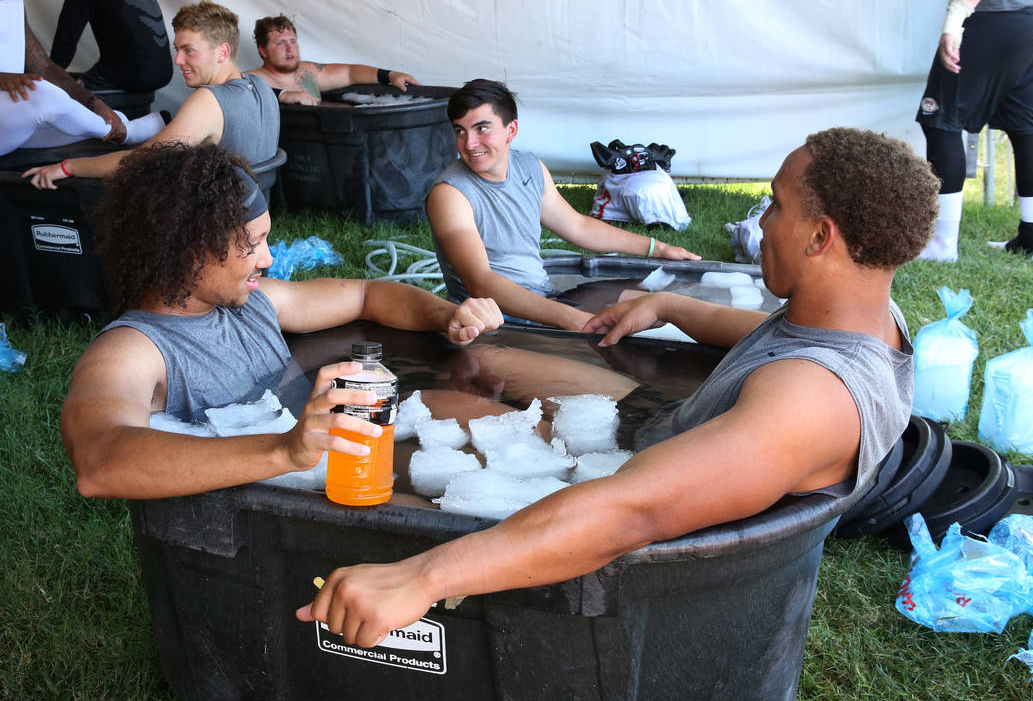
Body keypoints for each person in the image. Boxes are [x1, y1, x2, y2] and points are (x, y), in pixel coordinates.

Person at [296, 127, 940, 648]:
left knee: (410, 427)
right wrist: (668, 306)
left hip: (626, 492)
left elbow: (631, 512)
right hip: (655, 430)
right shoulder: (861, 314)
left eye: (775, 203)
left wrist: (421, 577)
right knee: (484, 360)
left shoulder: (812, 400)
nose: (763, 221)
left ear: (821, 236)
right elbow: (763, 332)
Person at [60, 142, 502, 500]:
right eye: (251, 246)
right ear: (190, 251)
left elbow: (368, 295)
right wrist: (285, 449)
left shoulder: (254, 302)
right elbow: (99, 461)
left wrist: (448, 314)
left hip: (312, 455)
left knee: (472, 409)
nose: (268, 260)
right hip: (275, 501)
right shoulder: (134, 350)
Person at [426, 79, 701, 332]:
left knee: (661, 304)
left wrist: (657, 248)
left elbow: (577, 226)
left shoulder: (529, 167)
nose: (469, 143)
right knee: (631, 334)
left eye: (481, 128)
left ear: (511, 130)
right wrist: (580, 322)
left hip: (544, 298)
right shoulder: (450, 194)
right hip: (496, 323)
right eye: (460, 131)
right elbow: (481, 283)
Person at [23, 0, 279, 189]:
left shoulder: (209, 100)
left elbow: (140, 162)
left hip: (217, 232)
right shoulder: (262, 86)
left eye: (189, 50)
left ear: (222, 52)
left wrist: (68, 166)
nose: (178, 60)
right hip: (252, 220)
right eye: (177, 49)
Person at [917, 0, 1033, 262]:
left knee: (940, 119)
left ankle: (942, 246)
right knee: (1027, 127)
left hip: (1001, 15)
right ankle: (1032, 243)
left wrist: (953, 20)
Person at [0, 0, 165, 156]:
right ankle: (129, 133)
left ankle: (120, 128)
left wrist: (93, 103)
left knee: (103, 119)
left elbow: (45, 67)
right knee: (43, 94)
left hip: (8, 118)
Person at [245, 14, 419, 105]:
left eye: (292, 41)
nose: (290, 49)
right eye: (281, 43)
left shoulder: (309, 73)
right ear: (263, 50)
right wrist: (283, 95)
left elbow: (350, 73)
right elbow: (234, 93)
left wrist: (390, 75)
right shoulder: (250, 79)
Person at [49, 0, 173, 93]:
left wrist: (46, 75)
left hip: (134, 74)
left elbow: (65, 40)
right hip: (164, 71)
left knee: (66, 93)